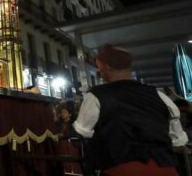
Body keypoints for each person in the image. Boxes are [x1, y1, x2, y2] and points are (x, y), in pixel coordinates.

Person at [73, 44, 188, 176]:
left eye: (99, 68)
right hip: (165, 170)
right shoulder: (159, 95)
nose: (100, 72)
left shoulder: (97, 95)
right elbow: (178, 140)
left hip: (120, 170)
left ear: (107, 67)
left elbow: (82, 131)